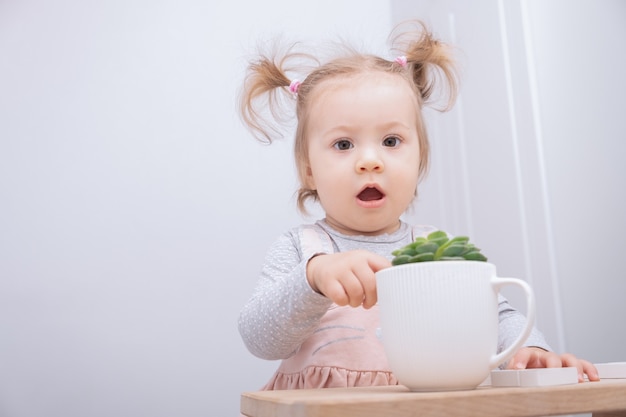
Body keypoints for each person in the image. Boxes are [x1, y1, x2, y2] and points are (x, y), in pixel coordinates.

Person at [237, 20, 599, 391]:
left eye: (391, 141)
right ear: (309, 171)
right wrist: (312, 278)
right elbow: (259, 338)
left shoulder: (438, 249)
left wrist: (531, 350)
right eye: (343, 145)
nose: (369, 161)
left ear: (419, 160)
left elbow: (497, 313)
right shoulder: (302, 250)